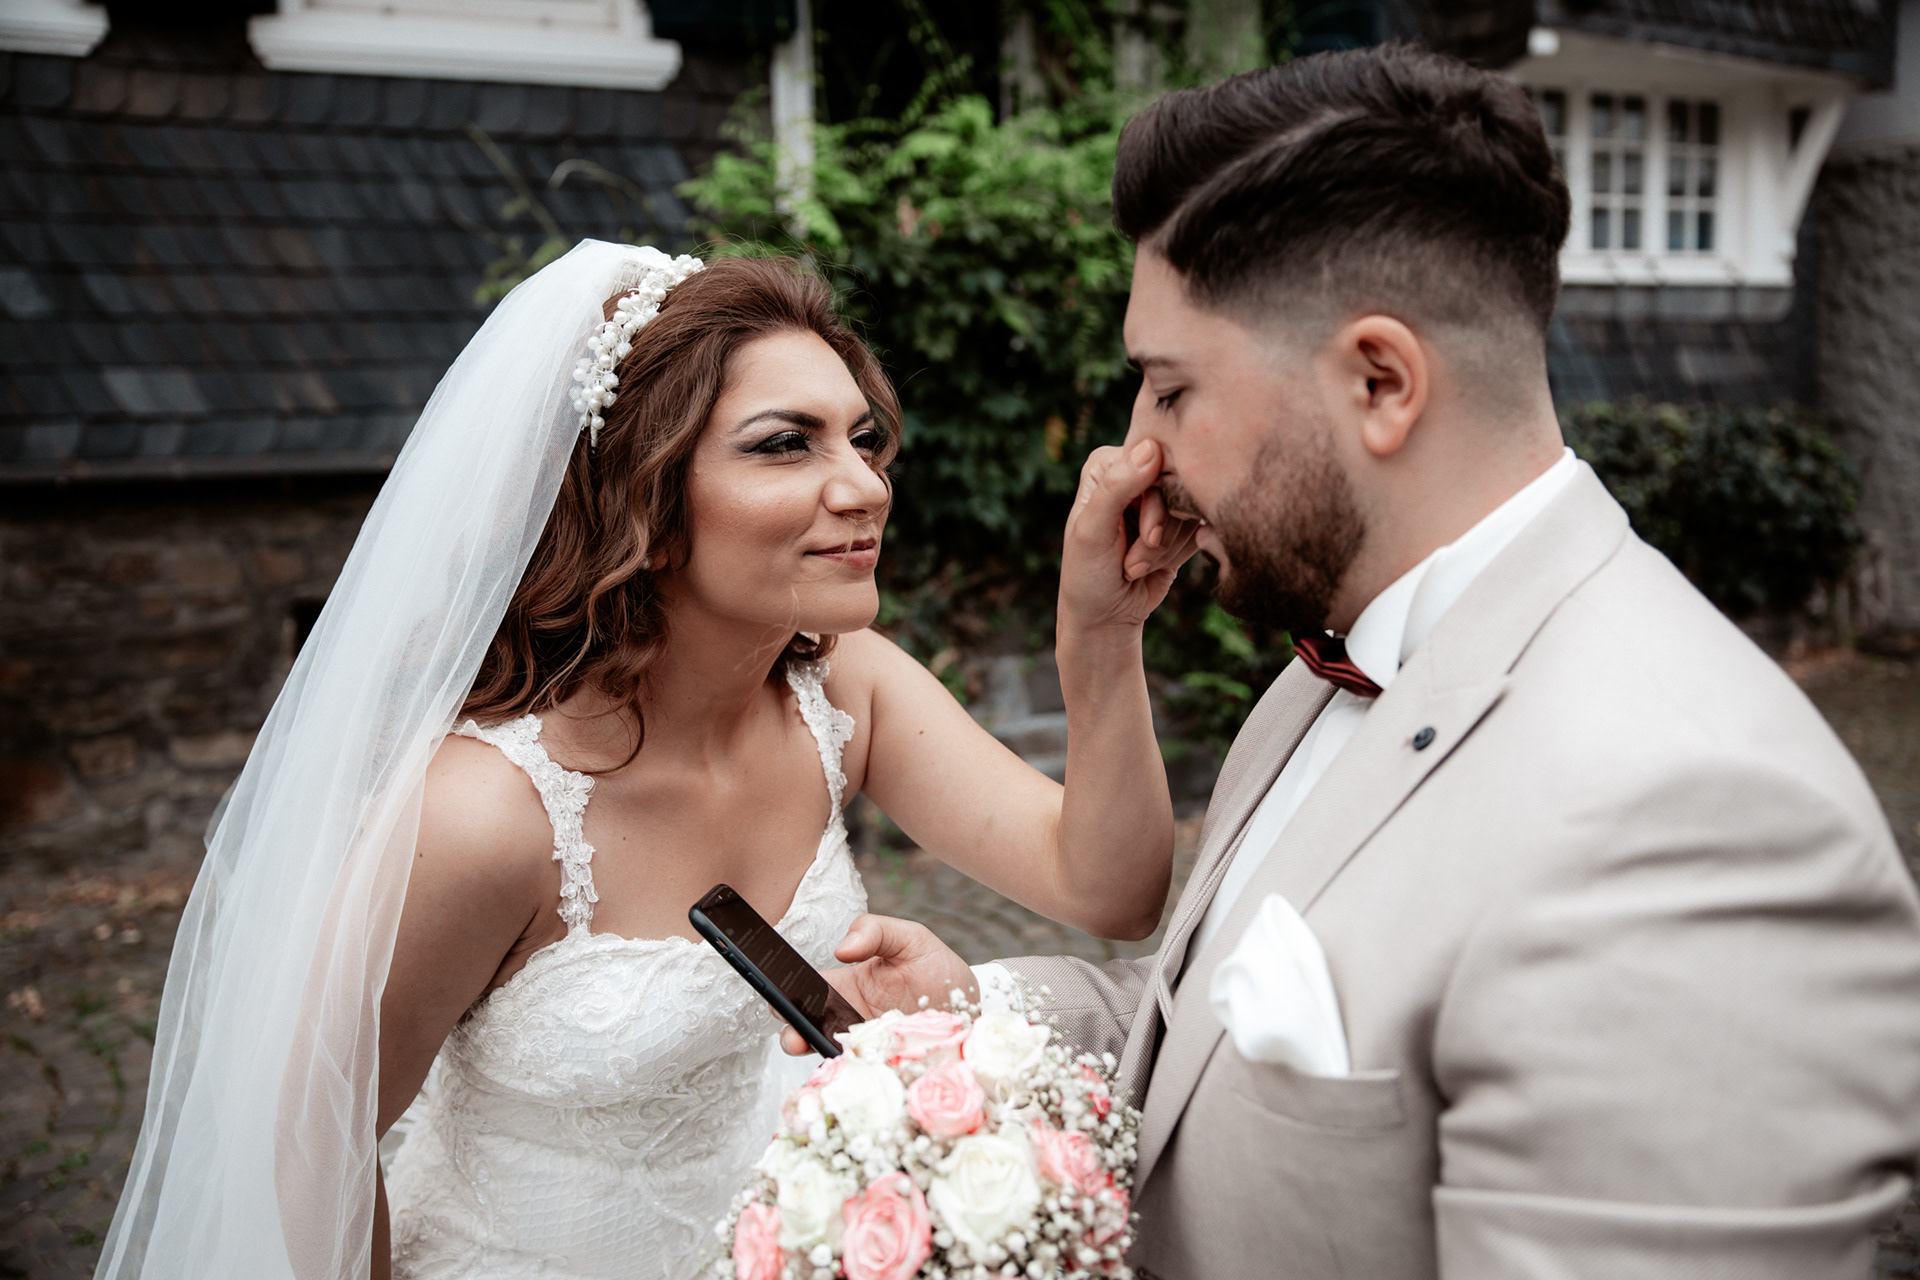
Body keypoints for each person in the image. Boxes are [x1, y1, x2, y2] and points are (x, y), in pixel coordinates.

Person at [791, 46, 1920, 1279]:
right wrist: (976, 1014)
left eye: (1171, 390)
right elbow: (1211, 1029)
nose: (1137, 458)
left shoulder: (1695, 827)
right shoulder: (1325, 671)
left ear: (1379, 381)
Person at [95, 244, 1194, 1280]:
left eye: (862, 438)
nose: (862, 484)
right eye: (784, 442)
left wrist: (1100, 637)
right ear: (646, 500)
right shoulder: (490, 815)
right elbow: (307, 1144)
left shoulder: (842, 687)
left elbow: (1108, 886)